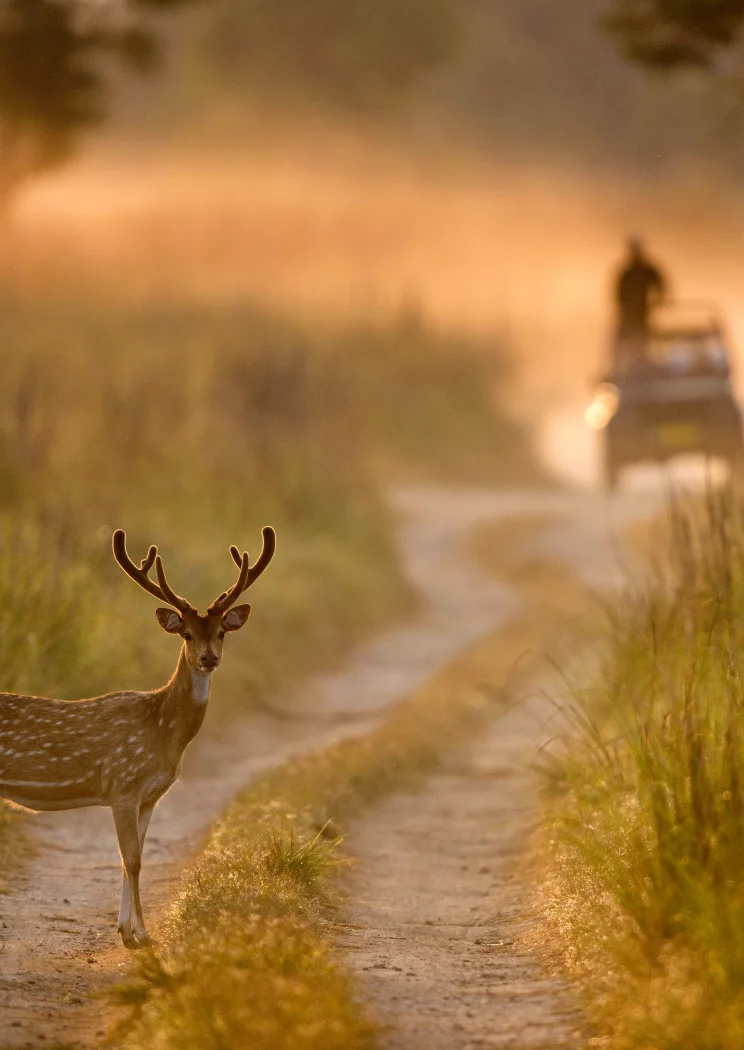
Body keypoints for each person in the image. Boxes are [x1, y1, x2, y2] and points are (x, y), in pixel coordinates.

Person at [615, 236, 667, 337]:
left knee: (640, 331)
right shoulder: (628, 272)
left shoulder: (644, 270)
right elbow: (619, 292)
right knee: (631, 332)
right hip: (630, 310)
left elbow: (660, 285)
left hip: (642, 309)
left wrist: (658, 300)